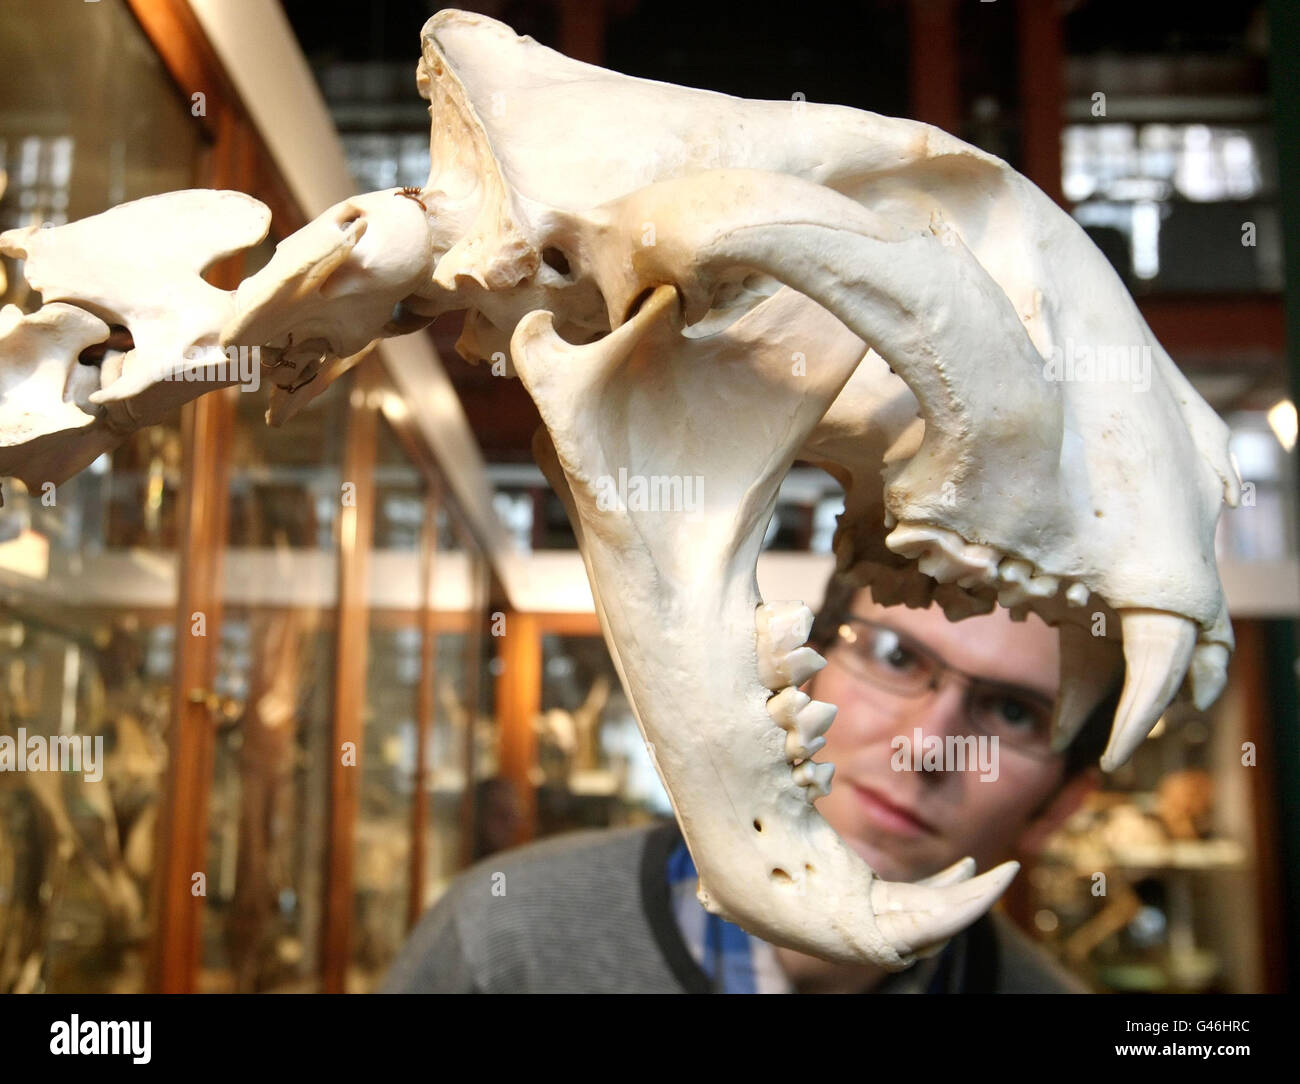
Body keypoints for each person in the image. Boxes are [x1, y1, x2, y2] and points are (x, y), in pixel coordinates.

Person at [381, 575, 1114, 994]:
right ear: (802, 666)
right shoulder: (503, 939)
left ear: (1062, 805)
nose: (927, 749)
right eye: (896, 656)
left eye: (1016, 712)